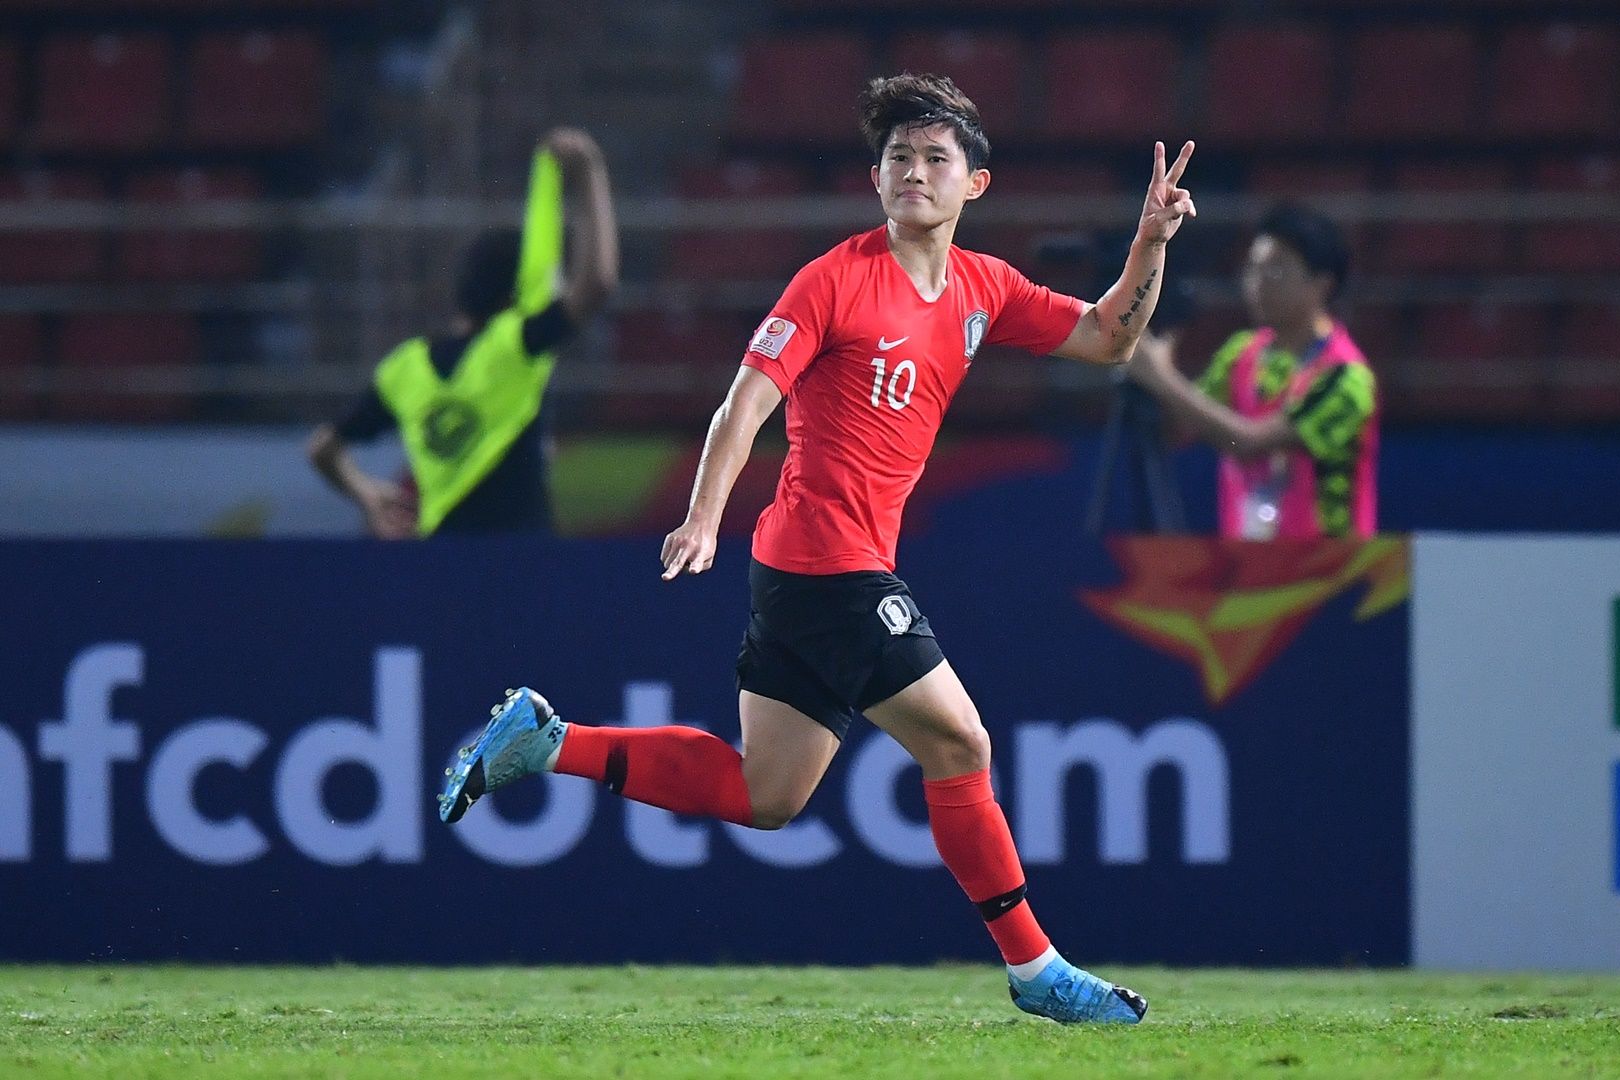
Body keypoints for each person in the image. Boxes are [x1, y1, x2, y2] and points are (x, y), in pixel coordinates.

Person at [436, 74, 1195, 1025]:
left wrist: (1149, 245)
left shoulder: (982, 286)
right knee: (960, 741)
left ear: (975, 185)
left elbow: (1107, 339)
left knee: (768, 794)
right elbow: (746, 401)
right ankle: (1037, 969)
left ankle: (548, 743)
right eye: (898, 159)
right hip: (826, 564)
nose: (914, 173)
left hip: (802, 574)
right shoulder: (834, 279)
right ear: (874, 179)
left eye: (935, 159)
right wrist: (704, 514)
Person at [307, 128, 618, 537]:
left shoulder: (404, 368)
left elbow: (322, 449)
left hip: (445, 563)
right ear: (516, 296)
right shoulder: (516, 345)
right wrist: (589, 169)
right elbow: (597, 282)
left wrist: (365, 492)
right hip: (524, 558)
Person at [1126, 203, 1378, 540]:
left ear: (1321, 284)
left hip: (1328, 573)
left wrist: (1160, 376)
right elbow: (1179, 430)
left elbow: (1249, 442)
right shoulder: (1242, 353)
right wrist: (1156, 370)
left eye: (1275, 271)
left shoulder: (1346, 377)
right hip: (1249, 567)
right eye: (1252, 270)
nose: (1257, 283)